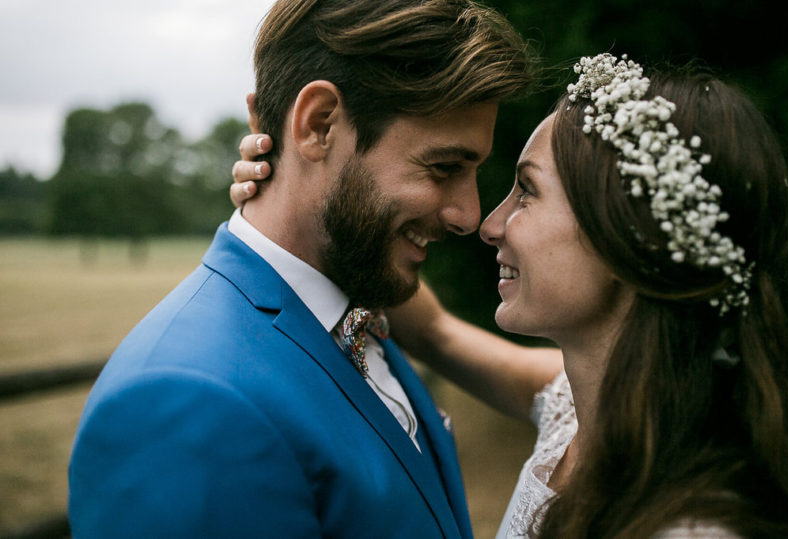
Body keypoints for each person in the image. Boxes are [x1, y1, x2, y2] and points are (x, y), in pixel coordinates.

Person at [232, 53, 788, 537]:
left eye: (528, 192)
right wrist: (309, 191)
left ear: (627, 237)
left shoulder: (693, 525)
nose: (488, 223)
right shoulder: (581, 410)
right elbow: (435, 332)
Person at [67, 1, 540, 537]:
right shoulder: (182, 404)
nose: (469, 215)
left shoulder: (364, 302)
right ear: (319, 125)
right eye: (443, 167)